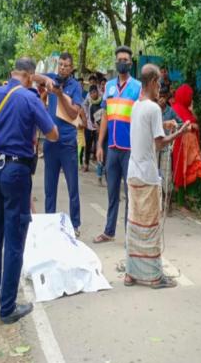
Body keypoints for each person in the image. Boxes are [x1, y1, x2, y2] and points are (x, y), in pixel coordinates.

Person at [0, 57, 59, 324]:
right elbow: (53, 134)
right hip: (16, 171)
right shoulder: (29, 98)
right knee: (14, 240)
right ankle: (8, 308)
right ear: (29, 76)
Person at [124, 64, 190, 289]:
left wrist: (165, 124)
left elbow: (147, 128)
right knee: (150, 226)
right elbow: (159, 143)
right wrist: (179, 132)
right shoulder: (153, 108)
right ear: (152, 82)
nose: (160, 88)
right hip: (147, 176)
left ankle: (131, 273)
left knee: (134, 224)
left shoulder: (136, 106)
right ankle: (153, 276)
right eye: (159, 83)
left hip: (133, 173)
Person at [94, 46, 142, 244]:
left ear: (130, 63)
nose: (122, 62)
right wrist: (99, 145)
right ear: (116, 62)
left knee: (130, 194)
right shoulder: (109, 87)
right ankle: (109, 231)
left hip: (130, 148)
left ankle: (129, 234)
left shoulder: (137, 87)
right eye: (119, 59)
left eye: (125, 59)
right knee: (112, 193)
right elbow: (105, 116)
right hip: (112, 147)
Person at [42, 52, 84, 236]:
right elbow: (35, 77)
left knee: (72, 187)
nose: (62, 68)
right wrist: (43, 78)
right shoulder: (52, 79)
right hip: (51, 142)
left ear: (71, 68)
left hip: (67, 143)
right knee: (49, 187)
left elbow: (74, 113)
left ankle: (75, 225)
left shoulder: (76, 87)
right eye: (60, 64)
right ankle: (50, 223)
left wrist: (59, 95)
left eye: (66, 65)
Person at [171, 84, 201, 193]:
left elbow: (195, 121)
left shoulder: (186, 109)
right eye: (189, 96)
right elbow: (178, 125)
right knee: (180, 171)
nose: (191, 98)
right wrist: (191, 127)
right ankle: (180, 202)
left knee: (188, 171)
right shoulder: (176, 109)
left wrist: (192, 110)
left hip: (189, 147)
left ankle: (187, 198)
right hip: (179, 145)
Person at [157, 85, 182, 208]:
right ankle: (157, 200)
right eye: (159, 96)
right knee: (154, 173)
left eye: (163, 96)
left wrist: (174, 126)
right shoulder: (153, 109)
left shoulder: (170, 111)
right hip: (155, 145)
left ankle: (168, 201)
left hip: (166, 145)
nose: (161, 99)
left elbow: (180, 122)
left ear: (167, 97)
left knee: (166, 174)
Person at [82, 85, 102, 172]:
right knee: (88, 146)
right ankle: (86, 164)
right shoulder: (88, 100)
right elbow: (83, 106)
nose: (93, 95)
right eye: (91, 93)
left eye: (94, 92)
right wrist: (86, 117)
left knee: (98, 146)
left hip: (99, 128)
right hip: (89, 126)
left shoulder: (102, 100)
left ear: (97, 92)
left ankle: (99, 167)